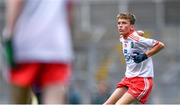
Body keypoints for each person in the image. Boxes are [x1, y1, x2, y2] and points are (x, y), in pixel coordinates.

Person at [3, 0, 73, 104]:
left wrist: (9, 33)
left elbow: (15, 2)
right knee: (54, 100)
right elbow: (69, 9)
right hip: (57, 45)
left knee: (20, 99)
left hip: (26, 45)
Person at [103, 13, 165, 104]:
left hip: (141, 80)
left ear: (131, 26)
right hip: (128, 79)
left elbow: (160, 45)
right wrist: (139, 33)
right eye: (119, 23)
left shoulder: (136, 39)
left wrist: (145, 55)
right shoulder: (123, 38)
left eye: (124, 23)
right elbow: (141, 32)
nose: (120, 26)